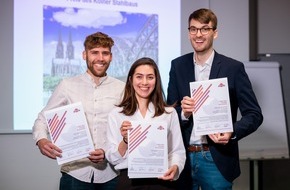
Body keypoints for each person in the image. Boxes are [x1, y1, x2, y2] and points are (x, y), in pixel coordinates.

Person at [166, 8, 263, 190]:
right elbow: (169, 111)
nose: (198, 34)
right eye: (193, 29)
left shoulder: (233, 68)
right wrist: (184, 113)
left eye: (204, 29)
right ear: (188, 33)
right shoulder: (177, 66)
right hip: (183, 158)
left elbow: (254, 114)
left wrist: (231, 131)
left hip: (216, 159)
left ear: (215, 33)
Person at [32, 32, 125, 190]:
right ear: (84, 55)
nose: (100, 58)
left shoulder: (122, 88)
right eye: (94, 52)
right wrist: (41, 140)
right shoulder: (67, 85)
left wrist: (109, 152)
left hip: (111, 174)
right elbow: (42, 118)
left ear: (111, 56)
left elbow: (126, 129)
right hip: (75, 173)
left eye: (105, 53)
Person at [105, 57, 186, 190]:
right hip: (129, 182)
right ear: (131, 80)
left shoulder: (169, 113)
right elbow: (113, 158)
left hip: (161, 181)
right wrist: (125, 141)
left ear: (156, 81)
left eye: (150, 77)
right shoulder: (116, 114)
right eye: (139, 77)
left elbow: (177, 151)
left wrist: (175, 167)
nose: (144, 82)